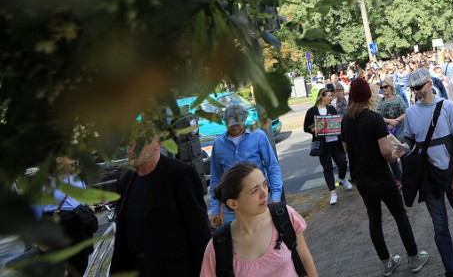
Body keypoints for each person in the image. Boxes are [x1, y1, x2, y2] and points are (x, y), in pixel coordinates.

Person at [341, 78, 430, 276]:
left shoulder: (346, 120)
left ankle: (386, 262)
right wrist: (394, 155)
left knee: (374, 218)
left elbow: (346, 148)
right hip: (380, 175)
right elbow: (384, 151)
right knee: (399, 214)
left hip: (361, 178)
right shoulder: (374, 118)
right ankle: (414, 257)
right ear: (367, 96)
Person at [404, 67, 453, 277]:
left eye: (419, 86)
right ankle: (452, 271)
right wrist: (402, 147)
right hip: (428, 177)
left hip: (450, 172)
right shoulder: (411, 112)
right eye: (413, 88)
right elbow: (409, 138)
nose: (417, 91)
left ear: (429, 84)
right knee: (440, 226)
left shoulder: (447, 106)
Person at [110, 138, 211, 276]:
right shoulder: (125, 181)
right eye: (128, 144)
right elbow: (122, 233)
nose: (131, 149)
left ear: (157, 143)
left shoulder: (180, 175)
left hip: (173, 270)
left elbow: (199, 232)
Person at [200, 163, 319, 277]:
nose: (264, 193)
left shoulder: (284, 216)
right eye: (255, 190)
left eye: (265, 184)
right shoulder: (219, 246)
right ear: (233, 203)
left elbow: (304, 258)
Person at [209, 104, 283, 227]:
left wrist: (275, 197)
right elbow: (216, 179)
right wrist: (215, 209)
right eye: (231, 123)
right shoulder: (218, 143)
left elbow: (272, 167)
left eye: (238, 122)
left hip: (258, 200)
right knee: (237, 241)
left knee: (263, 236)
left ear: (245, 119)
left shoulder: (258, 136)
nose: (234, 126)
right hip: (232, 207)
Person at [39, 156, 97, 276]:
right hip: (59, 228)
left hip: (79, 227)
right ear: (58, 159)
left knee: (80, 269)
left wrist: (88, 205)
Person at [303, 87, 352, 205]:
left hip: (335, 141)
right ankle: (333, 193)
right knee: (327, 167)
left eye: (331, 96)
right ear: (322, 97)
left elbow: (336, 123)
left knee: (342, 162)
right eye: (329, 96)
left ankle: (342, 177)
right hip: (323, 145)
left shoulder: (331, 108)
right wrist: (316, 129)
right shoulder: (312, 111)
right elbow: (306, 127)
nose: (331, 98)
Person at [377, 80, 408, 185]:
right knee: (392, 155)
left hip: (400, 132)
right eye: (382, 87)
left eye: (385, 87)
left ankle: (407, 176)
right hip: (388, 134)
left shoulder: (398, 99)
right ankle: (398, 178)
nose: (383, 89)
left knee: (404, 154)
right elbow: (378, 117)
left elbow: (405, 112)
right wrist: (390, 121)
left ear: (391, 87)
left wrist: (397, 120)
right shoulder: (381, 102)